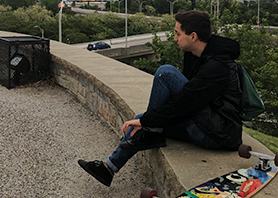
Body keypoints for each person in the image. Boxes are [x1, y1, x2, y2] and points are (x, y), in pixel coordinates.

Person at [78, 10, 243, 187]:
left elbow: (187, 101)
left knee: (165, 73)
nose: (174, 38)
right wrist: (148, 120)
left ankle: (151, 132)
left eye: (178, 34)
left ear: (193, 36)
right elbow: (185, 98)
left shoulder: (216, 66)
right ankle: (108, 168)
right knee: (142, 119)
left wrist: (150, 121)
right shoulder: (195, 54)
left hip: (216, 134)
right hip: (204, 121)